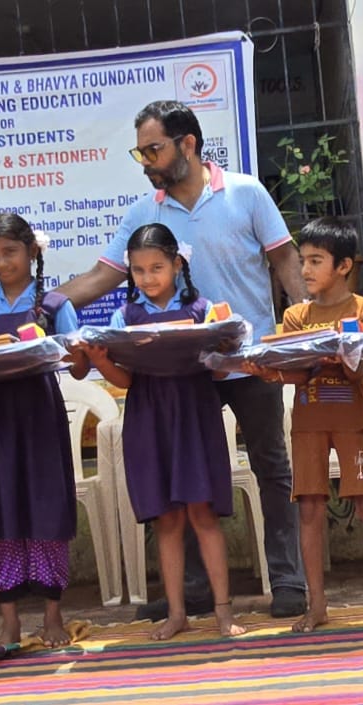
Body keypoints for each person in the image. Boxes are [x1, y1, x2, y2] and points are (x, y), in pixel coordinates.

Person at [58, 100, 308, 620]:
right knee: (182, 478)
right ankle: (192, 591)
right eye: (140, 152)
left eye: (153, 150)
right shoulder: (143, 213)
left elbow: (285, 259)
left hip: (249, 362)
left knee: (272, 467)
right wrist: (46, 306)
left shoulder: (245, 192)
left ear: (187, 144)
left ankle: (289, 581)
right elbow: (103, 275)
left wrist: (303, 327)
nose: (145, 162)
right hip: (180, 374)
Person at [78, 224, 246, 640]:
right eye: (138, 270)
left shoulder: (203, 312)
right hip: (148, 417)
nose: (148, 277)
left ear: (177, 265)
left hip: (195, 414)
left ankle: (223, 611)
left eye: (157, 267)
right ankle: (176, 613)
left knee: (203, 513)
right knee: (167, 520)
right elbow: (126, 381)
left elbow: (220, 371)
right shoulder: (123, 318)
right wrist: (101, 360)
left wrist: (225, 349)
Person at [244, 217, 363, 633]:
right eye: (302, 260)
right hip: (308, 425)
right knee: (310, 510)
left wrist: (338, 356)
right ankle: (316, 604)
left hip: (353, 422)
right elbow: (299, 373)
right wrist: (269, 372)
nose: (304, 270)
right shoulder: (296, 316)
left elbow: (356, 371)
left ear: (343, 266)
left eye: (315, 261)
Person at [0, 213, 88, 647]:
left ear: (31, 251)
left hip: (39, 416)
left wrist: (78, 352)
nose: (1, 263)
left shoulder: (55, 307)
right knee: (0, 510)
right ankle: (8, 620)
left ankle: (52, 615)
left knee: (47, 509)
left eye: (10, 252)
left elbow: (78, 365)